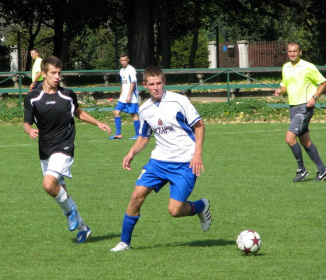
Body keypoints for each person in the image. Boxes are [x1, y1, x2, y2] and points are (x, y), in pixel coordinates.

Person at [110, 66, 211, 252]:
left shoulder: (179, 101)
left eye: (159, 83)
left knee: (174, 210)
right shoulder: (145, 109)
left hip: (184, 163)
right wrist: (131, 153)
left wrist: (197, 155)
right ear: (145, 85)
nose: (156, 87)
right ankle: (125, 242)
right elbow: (144, 136)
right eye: (151, 84)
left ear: (164, 82)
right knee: (136, 196)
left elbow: (199, 125)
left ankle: (200, 206)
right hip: (158, 162)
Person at [23, 55, 112, 243]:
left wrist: (98, 123)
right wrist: (29, 130)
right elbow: (26, 123)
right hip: (45, 149)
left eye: (59, 73)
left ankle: (70, 213)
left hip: (64, 146)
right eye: (53, 73)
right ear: (44, 74)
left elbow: (78, 112)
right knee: (59, 190)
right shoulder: (32, 97)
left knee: (48, 185)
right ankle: (83, 228)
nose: (57, 77)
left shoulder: (67, 95)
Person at [274, 42, 326, 182]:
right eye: (289, 51)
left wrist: (314, 98)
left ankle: (301, 169)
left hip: (304, 108)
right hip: (292, 107)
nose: (292, 54)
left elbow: (323, 83)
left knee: (289, 138)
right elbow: (285, 86)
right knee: (305, 142)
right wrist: (280, 91)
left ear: (300, 52)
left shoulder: (308, 67)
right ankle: (322, 170)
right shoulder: (285, 67)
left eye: (295, 51)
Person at [108, 53, 140, 140]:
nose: (123, 62)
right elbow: (123, 84)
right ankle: (118, 134)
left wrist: (129, 95)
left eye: (125, 60)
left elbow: (133, 83)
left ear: (128, 60)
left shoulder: (131, 70)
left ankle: (138, 135)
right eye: (122, 60)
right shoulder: (121, 70)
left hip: (131, 97)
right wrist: (121, 95)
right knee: (116, 112)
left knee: (133, 115)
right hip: (123, 97)